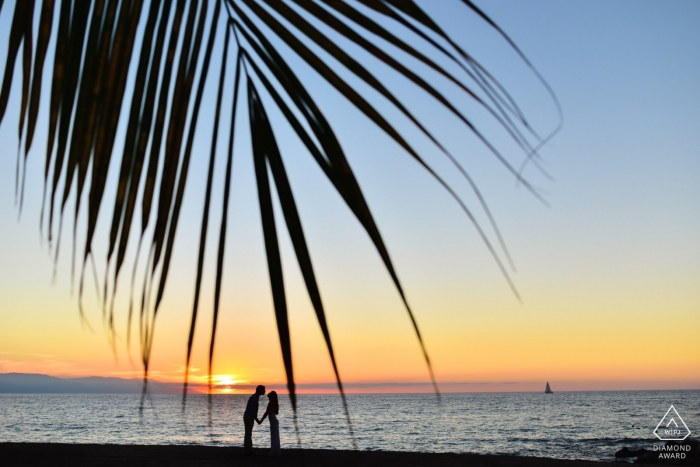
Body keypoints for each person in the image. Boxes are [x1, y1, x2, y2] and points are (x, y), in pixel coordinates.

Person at [243, 385, 265, 456]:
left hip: (249, 416)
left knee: (248, 433)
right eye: (263, 390)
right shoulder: (254, 398)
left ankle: (249, 450)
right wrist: (257, 420)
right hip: (249, 417)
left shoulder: (255, 397)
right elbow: (252, 411)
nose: (265, 391)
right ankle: (248, 451)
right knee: (248, 433)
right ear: (260, 390)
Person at [258, 390, 280, 456]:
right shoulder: (275, 403)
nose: (268, 397)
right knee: (275, 437)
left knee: (274, 436)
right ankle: (275, 451)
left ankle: (273, 452)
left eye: (269, 396)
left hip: (273, 421)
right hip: (274, 421)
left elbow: (267, 412)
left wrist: (261, 420)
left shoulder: (271, 403)